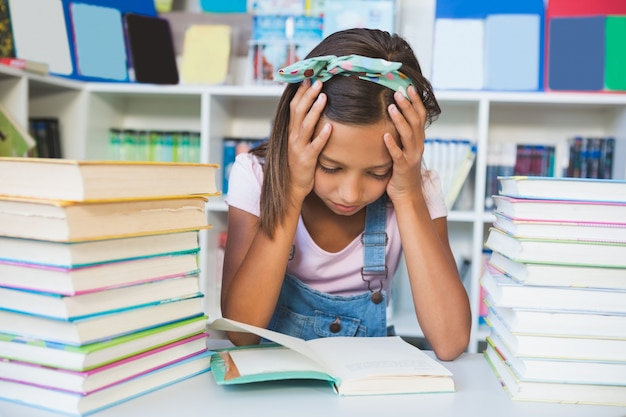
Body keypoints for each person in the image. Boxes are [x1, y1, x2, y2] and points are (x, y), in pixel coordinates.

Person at [220, 28, 471, 360]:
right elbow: (240, 332)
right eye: (330, 167)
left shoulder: (416, 189)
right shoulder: (255, 177)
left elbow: (451, 341)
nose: (351, 194)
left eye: (378, 172)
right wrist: (293, 190)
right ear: (296, 134)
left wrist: (407, 194)